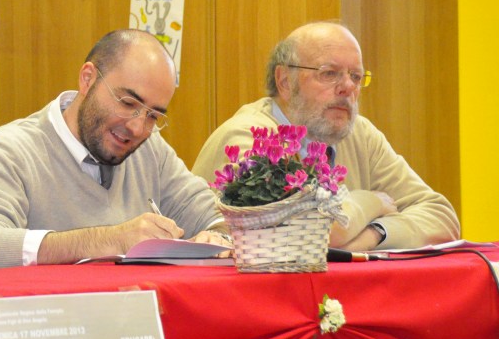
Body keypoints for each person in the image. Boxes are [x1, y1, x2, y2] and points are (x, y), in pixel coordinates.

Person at [0, 29, 230, 270]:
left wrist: (218, 236)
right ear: (87, 79)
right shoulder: (12, 151)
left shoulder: (150, 149)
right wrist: (108, 240)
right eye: (127, 103)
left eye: (153, 116)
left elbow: (216, 216)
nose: (137, 127)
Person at [192, 21, 459, 251]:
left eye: (356, 76)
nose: (347, 87)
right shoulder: (250, 137)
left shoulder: (360, 134)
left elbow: (441, 216)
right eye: (329, 73)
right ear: (285, 81)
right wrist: (373, 201)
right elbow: (305, 230)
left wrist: (374, 234)